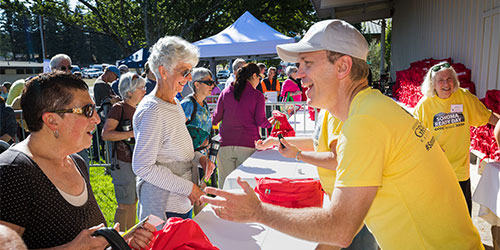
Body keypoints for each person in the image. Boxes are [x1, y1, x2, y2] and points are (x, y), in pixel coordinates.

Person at [201, 19, 483, 249]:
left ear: (343, 67)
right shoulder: (370, 111)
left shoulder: (366, 122)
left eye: (307, 63)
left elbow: (340, 229)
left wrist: (258, 212)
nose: (298, 74)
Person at [0, 73, 154, 249]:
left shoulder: (76, 162)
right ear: (51, 120)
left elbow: (88, 237)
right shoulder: (12, 171)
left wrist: (122, 240)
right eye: (88, 110)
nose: (97, 119)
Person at [255, 109, 377, 250]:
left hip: (354, 209)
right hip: (347, 206)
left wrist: (299, 155)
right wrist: (276, 141)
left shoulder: (335, 114)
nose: (304, 88)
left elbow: (337, 159)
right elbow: (316, 143)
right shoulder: (328, 112)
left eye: (310, 85)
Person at [133, 36, 215, 226]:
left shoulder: (174, 103)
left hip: (180, 204)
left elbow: (175, 148)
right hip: (165, 209)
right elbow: (142, 166)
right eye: (185, 72)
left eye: (190, 72)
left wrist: (198, 158)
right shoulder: (152, 110)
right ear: (163, 71)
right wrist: (189, 188)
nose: (188, 79)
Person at [413, 61, 499, 215]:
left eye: (449, 78)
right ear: (433, 84)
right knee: (439, 214)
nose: (446, 84)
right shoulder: (424, 106)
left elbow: (486, 116)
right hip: (436, 170)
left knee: (463, 214)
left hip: (460, 170)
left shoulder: (464, 97)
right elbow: (413, 137)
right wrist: (430, 145)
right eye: (441, 80)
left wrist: (499, 123)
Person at [212, 63, 272, 188]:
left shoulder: (225, 92)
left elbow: (216, 118)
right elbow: (260, 121)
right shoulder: (257, 96)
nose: (259, 82)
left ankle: (223, 208)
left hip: (225, 144)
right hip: (247, 144)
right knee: (245, 186)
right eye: (259, 78)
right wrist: (270, 123)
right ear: (254, 76)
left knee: (224, 185)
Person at [102, 72, 146, 231]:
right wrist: (131, 134)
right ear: (129, 92)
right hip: (122, 161)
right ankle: (118, 240)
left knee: (133, 201)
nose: (144, 91)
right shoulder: (118, 108)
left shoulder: (138, 108)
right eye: (141, 88)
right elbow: (106, 134)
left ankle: (129, 238)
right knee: (124, 204)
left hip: (135, 161)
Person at [181, 67, 215, 151]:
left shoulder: (205, 104)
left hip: (203, 155)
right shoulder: (188, 104)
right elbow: (176, 131)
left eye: (212, 82)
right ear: (196, 85)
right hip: (190, 156)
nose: (213, 86)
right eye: (208, 82)